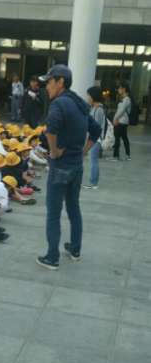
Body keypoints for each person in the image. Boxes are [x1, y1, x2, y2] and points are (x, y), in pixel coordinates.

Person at [36, 65, 101, 270]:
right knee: (73, 207)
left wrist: (54, 151)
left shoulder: (59, 104)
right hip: (76, 167)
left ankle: (52, 257)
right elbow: (96, 130)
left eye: (49, 82)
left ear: (60, 82)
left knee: (53, 213)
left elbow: (51, 130)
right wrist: (83, 151)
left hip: (61, 167)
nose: (47, 86)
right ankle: (75, 249)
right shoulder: (79, 103)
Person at [84, 86, 106, 189]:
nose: (87, 98)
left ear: (93, 96)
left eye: (88, 95)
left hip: (96, 140)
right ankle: (93, 182)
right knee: (93, 160)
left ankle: (93, 182)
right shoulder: (95, 108)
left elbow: (96, 127)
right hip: (96, 139)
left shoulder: (98, 109)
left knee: (93, 161)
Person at [112, 82, 132, 161]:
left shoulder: (126, 99)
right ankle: (128, 155)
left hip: (120, 121)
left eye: (119, 88)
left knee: (117, 138)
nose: (118, 90)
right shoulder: (124, 99)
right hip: (122, 121)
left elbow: (121, 111)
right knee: (124, 138)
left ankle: (116, 156)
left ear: (124, 89)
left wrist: (115, 119)